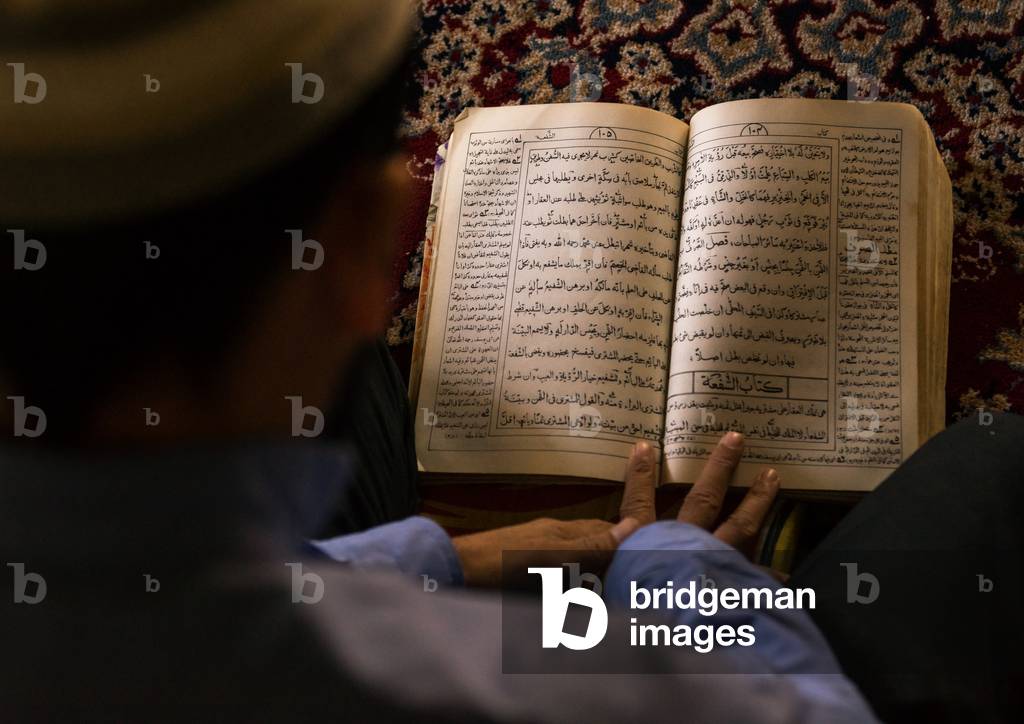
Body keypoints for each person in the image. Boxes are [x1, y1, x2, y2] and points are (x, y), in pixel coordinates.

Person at [0, 2, 1016, 721]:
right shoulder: (589, 686)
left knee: (360, 391)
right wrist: (679, 571)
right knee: (993, 462)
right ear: (367, 246)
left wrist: (450, 554)